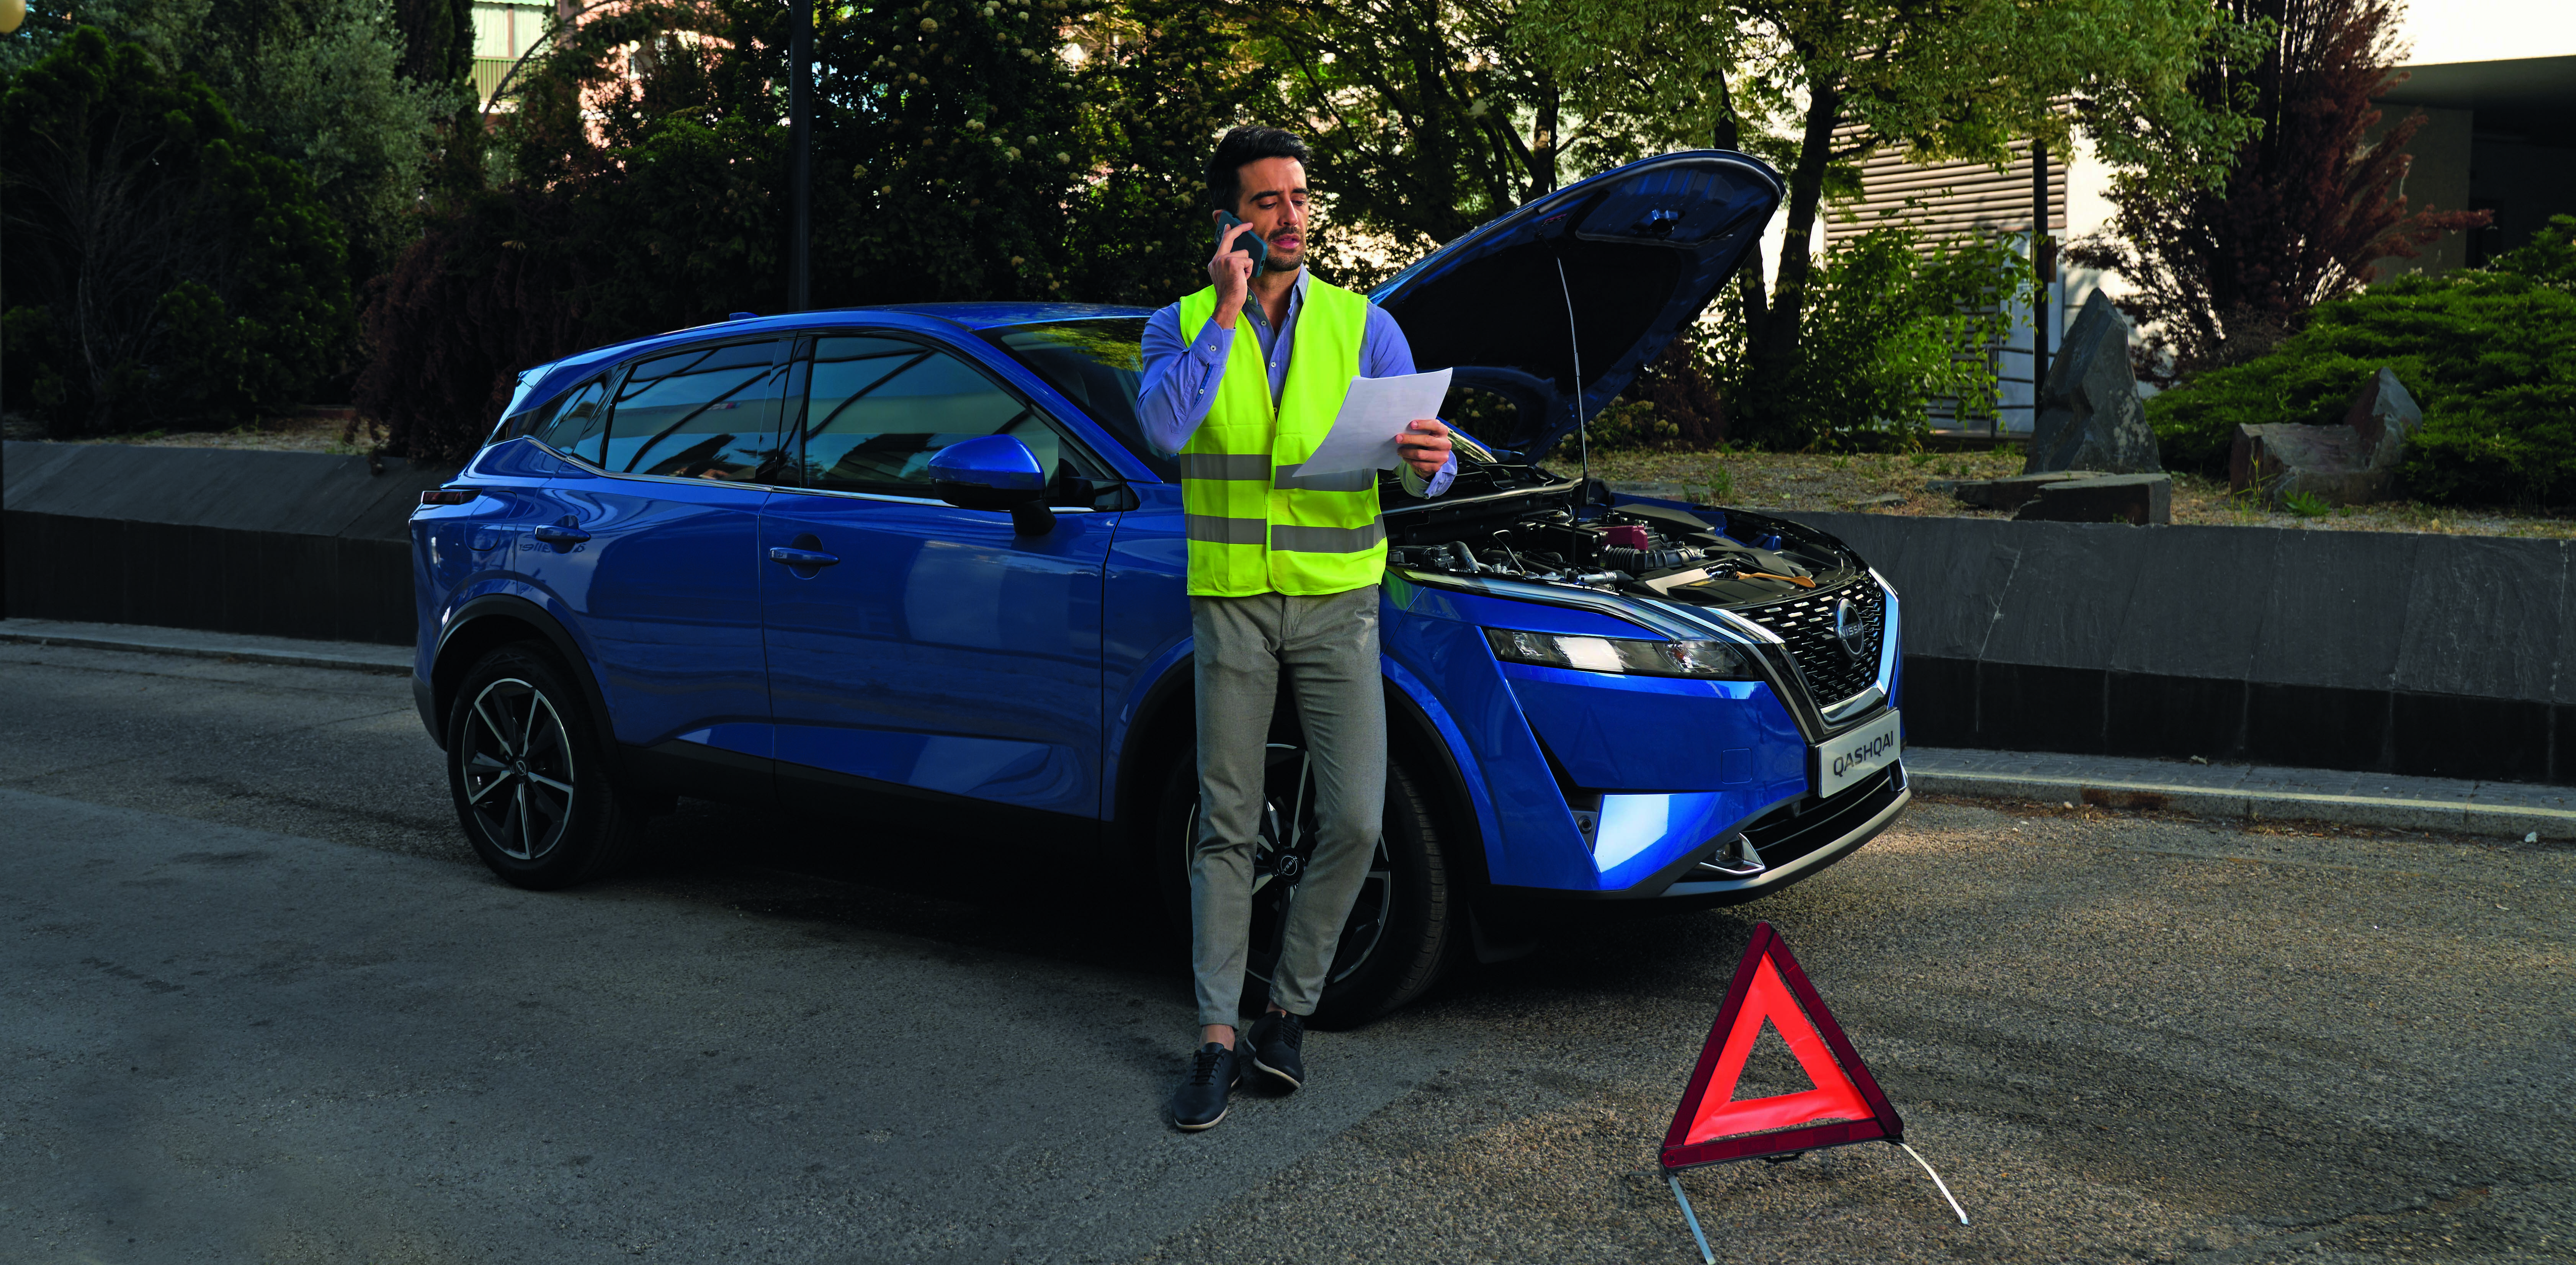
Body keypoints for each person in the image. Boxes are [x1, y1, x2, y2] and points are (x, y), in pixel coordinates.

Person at [1136, 125, 1457, 1132]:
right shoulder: (1179, 326)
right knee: (1229, 827)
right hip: (1231, 602)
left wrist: (1429, 457)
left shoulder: (1367, 328)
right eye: (1269, 202)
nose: (1292, 218)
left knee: (1356, 818)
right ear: (1231, 220)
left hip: (1336, 606)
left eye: (1301, 199)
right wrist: (1226, 319)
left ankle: (1289, 1008)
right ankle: (1217, 1039)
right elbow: (1163, 432)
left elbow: (1426, 468)